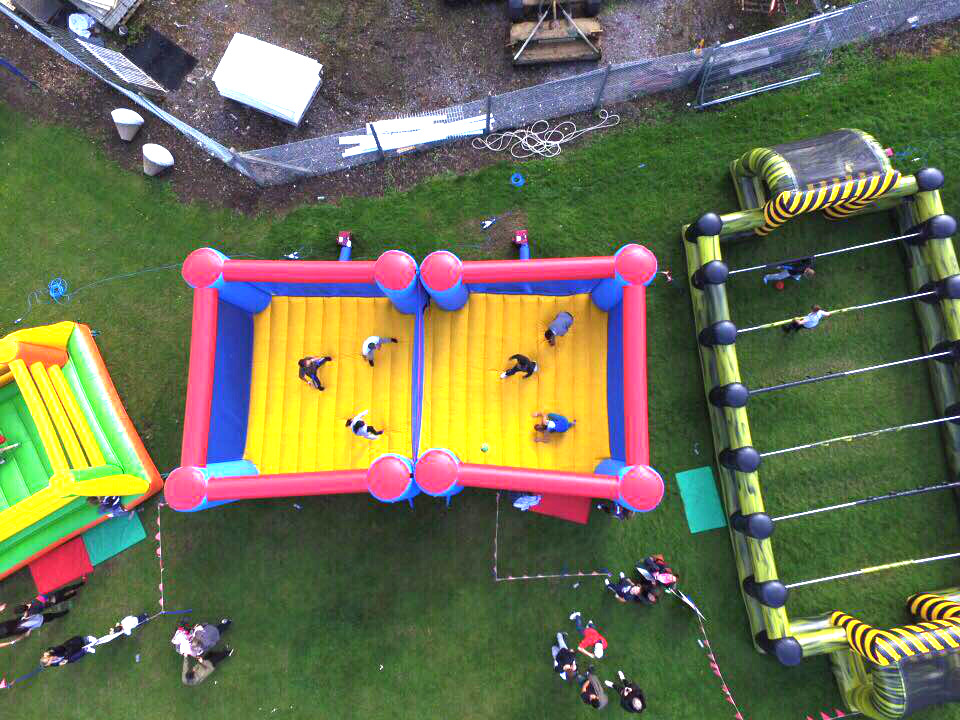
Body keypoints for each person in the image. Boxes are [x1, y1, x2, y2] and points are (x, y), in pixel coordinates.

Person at [0, 606, 70, 647]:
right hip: (19, 627)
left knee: (41, 617)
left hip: (17, 622)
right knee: (44, 618)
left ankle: (55, 614)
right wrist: (11, 642)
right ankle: (61, 613)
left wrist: (0, 609)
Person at [12, 580, 85, 616]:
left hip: (52, 603)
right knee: (66, 589)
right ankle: (81, 584)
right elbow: (44, 597)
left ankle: (74, 593)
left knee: (63, 598)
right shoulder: (34, 602)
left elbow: (28, 613)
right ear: (22, 605)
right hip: (52, 597)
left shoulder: (31, 613)